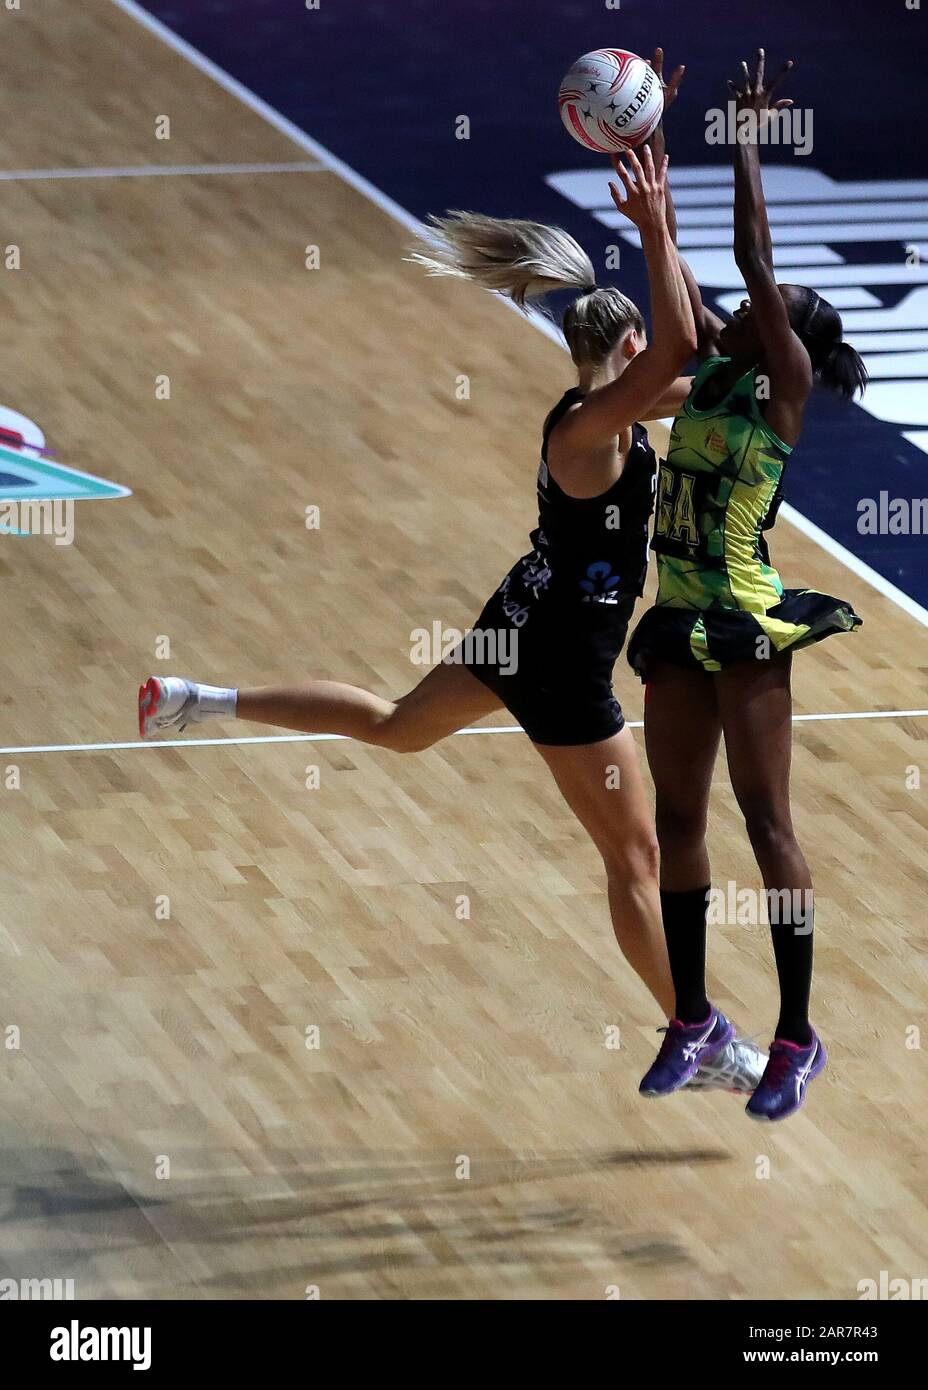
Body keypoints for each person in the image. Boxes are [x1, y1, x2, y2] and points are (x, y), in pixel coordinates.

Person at [137, 145, 763, 1094]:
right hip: (560, 667)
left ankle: (200, 699)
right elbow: (689, 358)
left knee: (397, 727)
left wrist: (672, 243)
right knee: (635, 853)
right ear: (627, 351)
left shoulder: (610, 410)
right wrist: (654, 224)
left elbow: (706, 368)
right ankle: (699, 1029)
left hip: (517, 623)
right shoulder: (588, 431)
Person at [630, 51, 866, 1120]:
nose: (754, 306)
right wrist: (649, 157)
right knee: (677, 818)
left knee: (765, 822)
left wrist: (743, 135)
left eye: (776, 309)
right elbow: (678, 265)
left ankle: (797, 1034)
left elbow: (748, 259)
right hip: (678, 615)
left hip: (743, 616)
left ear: (792, 345)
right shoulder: (719, 366)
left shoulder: (783, 391)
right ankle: (690, 1017)